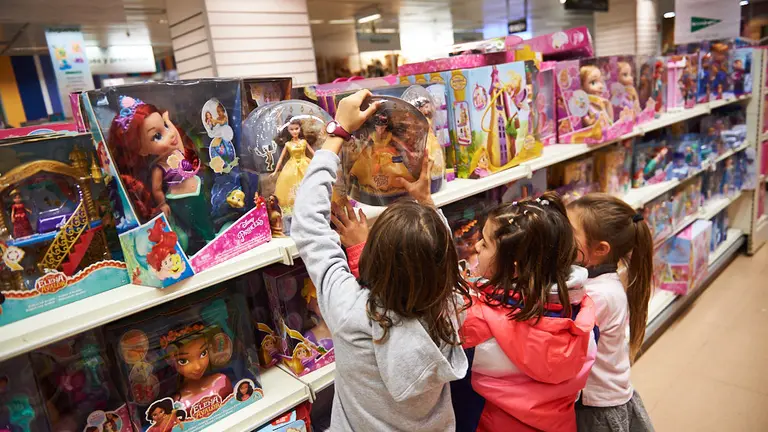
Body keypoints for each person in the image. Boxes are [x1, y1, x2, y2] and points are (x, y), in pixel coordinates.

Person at [291, 89, 471, 431]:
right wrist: (426, 201)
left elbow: (308, 225)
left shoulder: (349, 310)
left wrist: (337, 133)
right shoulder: (451, 306)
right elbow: (441, 253)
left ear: (372, 258)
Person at [453, 192, 598, 431]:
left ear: (513, 268)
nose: (476, 246)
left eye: (485, 243)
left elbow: (453, 384)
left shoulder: (476, 324)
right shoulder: (582, 314)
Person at [567, 193, 655, 432]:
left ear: (600, 249)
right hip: (600, 397)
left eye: (569, 232)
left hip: (597, 408)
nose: (561, 235)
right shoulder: (599, 280)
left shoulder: (598, 295)